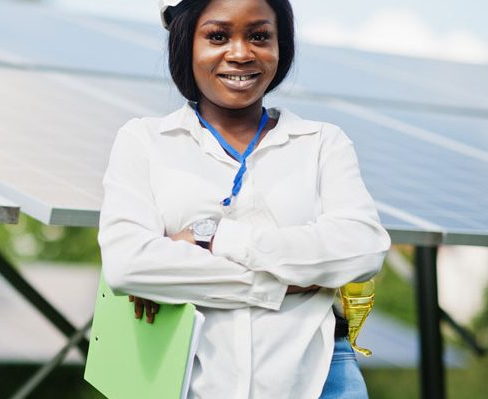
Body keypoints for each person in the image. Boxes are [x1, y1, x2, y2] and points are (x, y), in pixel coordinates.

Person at [97, 0, 391, 397]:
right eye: (218, 36)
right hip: (192, 379)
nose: (240, 53)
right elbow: (128, 266)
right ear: (187, 43)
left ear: (279, 45)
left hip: (322, 380)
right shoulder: (145, 142)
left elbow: (362, 249)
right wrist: (285, 283)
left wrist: (214, 237)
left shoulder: (323, 143)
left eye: (259, 36)